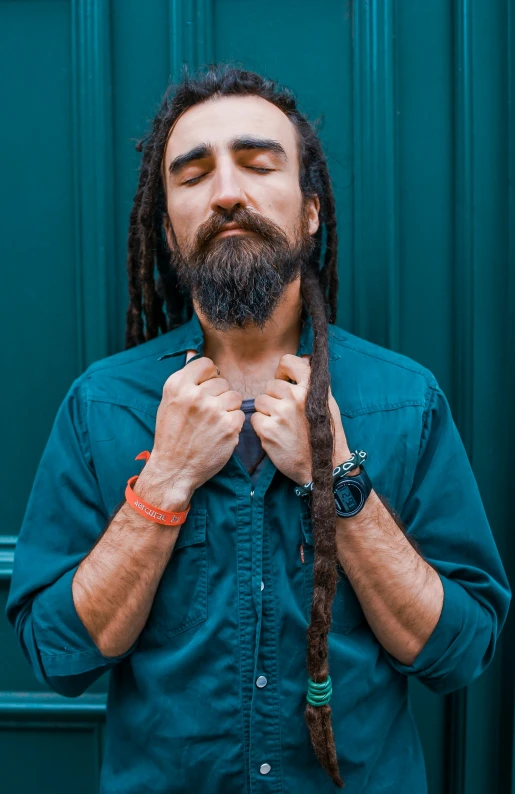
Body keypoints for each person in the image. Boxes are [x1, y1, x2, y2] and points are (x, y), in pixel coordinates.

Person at [6, 66, 511, 793]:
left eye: (256, 162)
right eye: (192, 174)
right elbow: (58, 656)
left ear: (309, 211)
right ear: (167, 220)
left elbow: (458, 655)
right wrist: (163, 486)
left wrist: (339, 480)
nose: (226, 193)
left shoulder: (405, 402)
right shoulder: (102, 406)